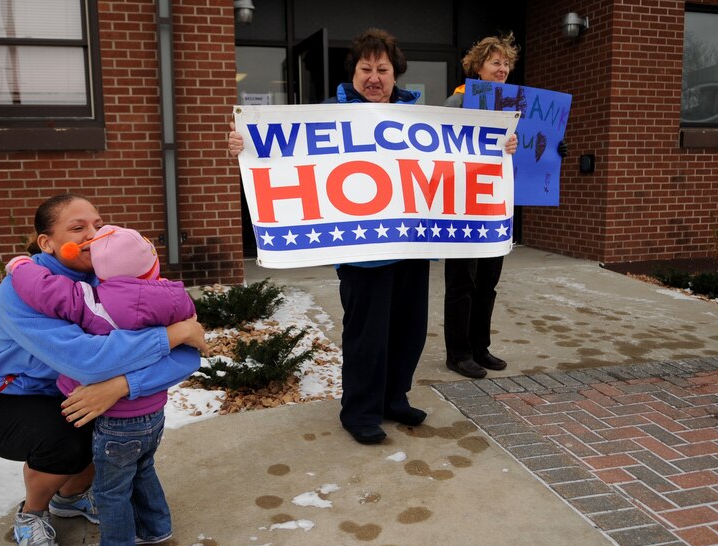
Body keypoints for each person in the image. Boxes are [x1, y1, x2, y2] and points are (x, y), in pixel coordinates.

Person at [229, 29, 517, 445]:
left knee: (409, 330)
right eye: (366, 69)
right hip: (363, 252)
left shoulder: (419, 116)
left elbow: (455, 163)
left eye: (383, 69)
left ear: (395, 74)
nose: (375, 77)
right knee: (367, 335)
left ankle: (393, 398)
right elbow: (279, 150)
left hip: (412, 246)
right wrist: (245, 143)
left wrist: (498, 147)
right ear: (355, 73)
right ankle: (359, 410)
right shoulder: (329, 113)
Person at [0, 194, 206, 546]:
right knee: (70, 441)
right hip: (5, 398)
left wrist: (121, 386)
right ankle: (32, 514)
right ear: (48, 242)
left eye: (98, 223)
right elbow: (88, 362)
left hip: (78, 392)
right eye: (78, 228)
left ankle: (71, 497)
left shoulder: (114, 276)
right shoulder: (19, 291)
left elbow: (189, 356)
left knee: (120, 433)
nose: (94, 234)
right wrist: (173, 334)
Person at [443, 32, 564, 379]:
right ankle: (458, 352)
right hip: (464, 207)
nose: (503, 68)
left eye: (507, 63)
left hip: (497, 206)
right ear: (477, 67)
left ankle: (480, 348)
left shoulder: (516, 104)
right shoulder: (458, 103)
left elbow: (532, 147)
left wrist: (555, 149)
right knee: (462, 283)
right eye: (495, 61)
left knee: (487, 283)